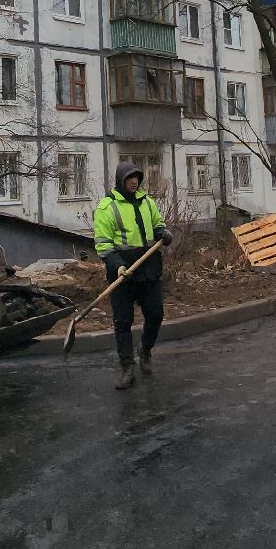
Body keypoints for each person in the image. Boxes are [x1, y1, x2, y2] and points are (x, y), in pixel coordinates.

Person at [93, 161, 171, 390]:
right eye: (130, 178)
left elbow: (157, 223)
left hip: (149, 268)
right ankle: (127, 367)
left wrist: (162, 232)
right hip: (122, 272)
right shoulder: (107, 207)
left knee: (156, 314)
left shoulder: (147, 202)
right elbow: (103, 244)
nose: (134, 181)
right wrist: (117, 265)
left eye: (137, 177)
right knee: (123, 322)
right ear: (121, 180)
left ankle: (145, 350)